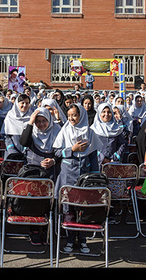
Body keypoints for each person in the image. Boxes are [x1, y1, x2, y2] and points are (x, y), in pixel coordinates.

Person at [53, 103, 98, 254]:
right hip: (67, 175)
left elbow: (93, 157)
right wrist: (71, 150)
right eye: (70, 115)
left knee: (83, 210)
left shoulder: (90, 132)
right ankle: (70, 239)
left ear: (82, 116)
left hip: (85, 176)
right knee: (69, 210)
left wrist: (94, 178)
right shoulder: (64, 130)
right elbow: (57, 153)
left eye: (75, 115)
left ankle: (83, 240)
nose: (72, 118)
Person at [19, 107, 61, 246]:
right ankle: (34, 230)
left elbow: (62, 151)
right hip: (34, 171)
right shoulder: (32, 131)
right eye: (38, 121)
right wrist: (30, 123)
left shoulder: (57, 130)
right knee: (34, 200)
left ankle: (47, 229)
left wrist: (53, 160)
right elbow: (23, 142)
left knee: (48, 201)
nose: (41, 124)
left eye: (44, 121)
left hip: (51, 171)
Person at [1, 94, 32, 159]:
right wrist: (11, 149)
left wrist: (27, 149)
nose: (25, 105)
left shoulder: (32, 117)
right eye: (22, 103)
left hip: (29, 153)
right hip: (12, 153)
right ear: (17, 104)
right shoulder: (10, 116)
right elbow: (6, 136)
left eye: (27, 103)